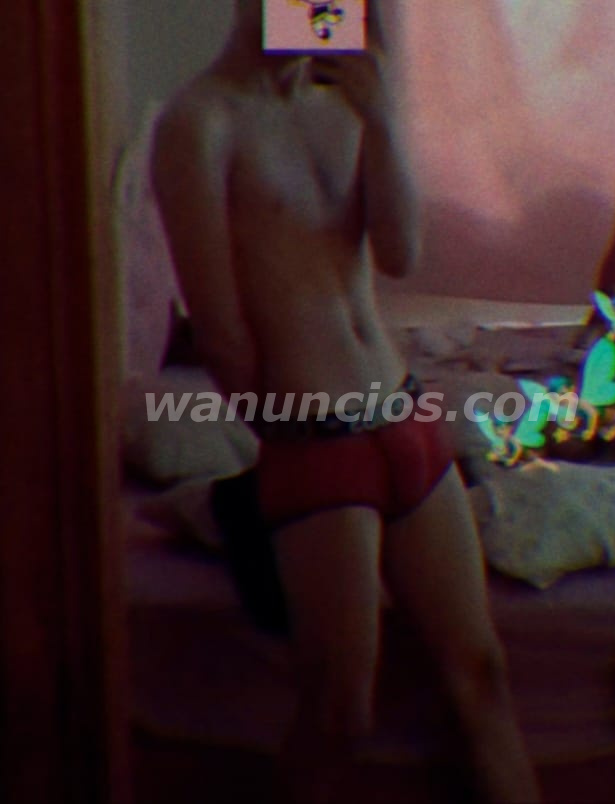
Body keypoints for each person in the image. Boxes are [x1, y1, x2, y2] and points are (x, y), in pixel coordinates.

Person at [151, 1, 540, 801]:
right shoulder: (200, 121)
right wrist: (291, 448)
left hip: (404, 413)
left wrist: (387, 118)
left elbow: (400, 253)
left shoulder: (343, 106)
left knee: (483, 674)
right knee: (340, 712)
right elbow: (219, 333)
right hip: (317, 438)